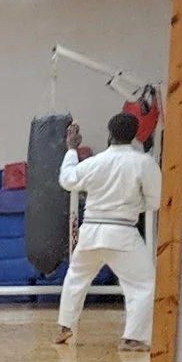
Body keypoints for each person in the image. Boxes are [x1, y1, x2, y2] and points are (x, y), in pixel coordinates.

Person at [55, 108, 162, 347]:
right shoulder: (143, 163)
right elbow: (156, 201)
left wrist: (72, 149)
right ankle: (133, 338)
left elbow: (67, 180)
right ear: (135, 135)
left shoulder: (95, 162)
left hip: (91, 230)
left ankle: (65, 327)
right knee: (142, 286)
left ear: (109, 134)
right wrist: (133, 205)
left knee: (76, 278)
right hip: (123, 232)